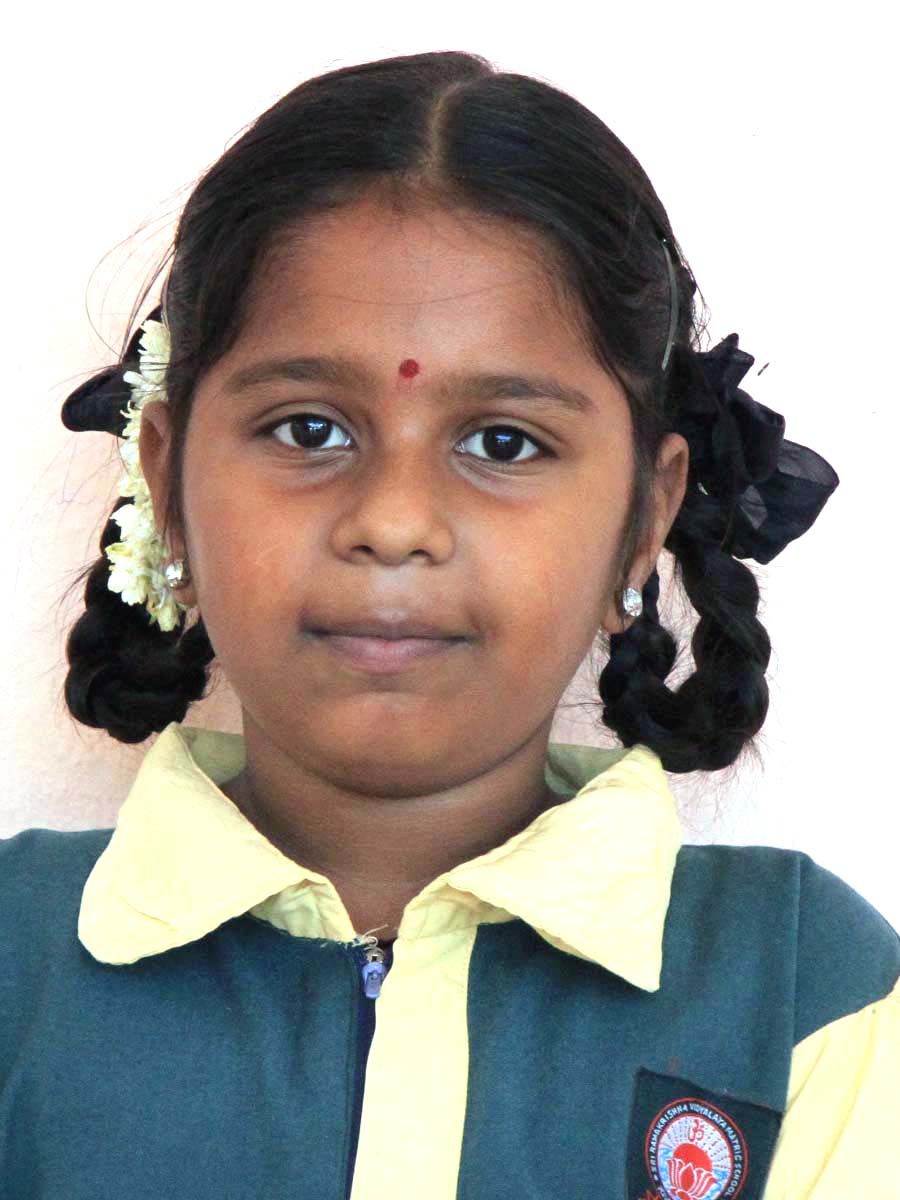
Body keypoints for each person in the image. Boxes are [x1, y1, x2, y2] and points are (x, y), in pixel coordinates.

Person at [0, 49, 893, 1200]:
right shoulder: (18, 961)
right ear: (166, 484)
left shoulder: (807, 995)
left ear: (643, 519)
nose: (394, 522)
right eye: (309, 430)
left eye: (504, 443)